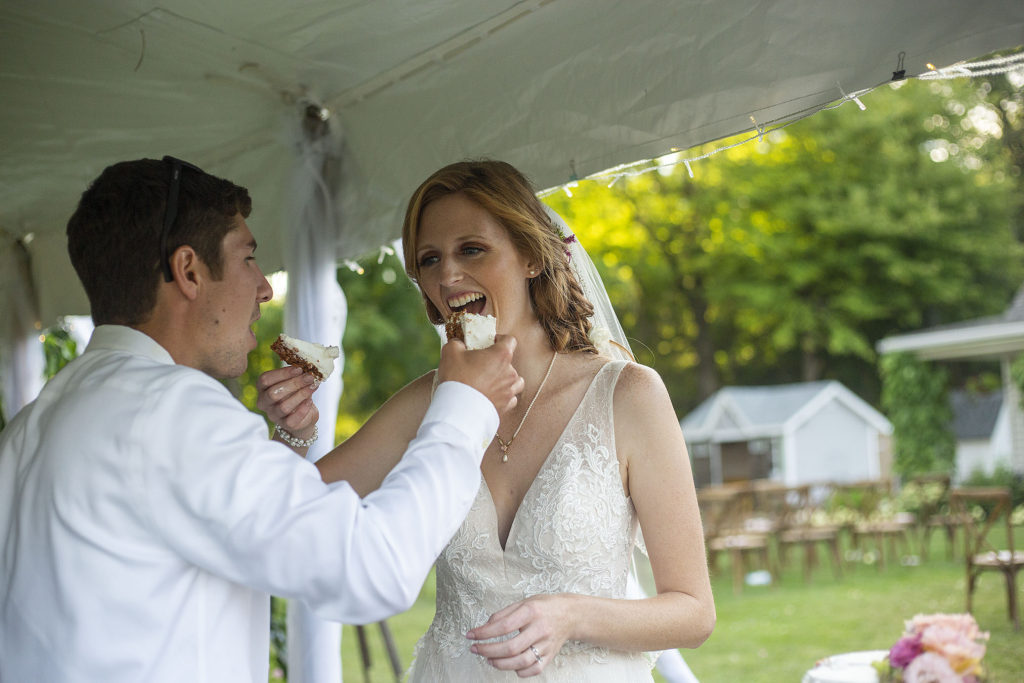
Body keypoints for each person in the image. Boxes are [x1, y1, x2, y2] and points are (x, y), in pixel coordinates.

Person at [0, 157, 524, 683]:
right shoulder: (174, 413)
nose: (265, 288)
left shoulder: (32, 426)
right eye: (248, 258)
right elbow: (372, 568)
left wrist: (286, 445)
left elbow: (190, 528)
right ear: (188, 271)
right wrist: (464, 404)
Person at [293, 159, 715, 680]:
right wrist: (293, 428)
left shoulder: (628, 395)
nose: (447, 276)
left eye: (471, 249)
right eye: (429, 260)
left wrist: (570, 614)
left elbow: (694, 612)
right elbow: (289, 512)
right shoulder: (426, 403)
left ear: (531, 256)